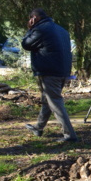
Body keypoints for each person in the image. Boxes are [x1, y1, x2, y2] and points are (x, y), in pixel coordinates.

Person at [21, 8, 78, 142]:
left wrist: (29, 29)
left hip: (49, 71)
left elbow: (26, 44)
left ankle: (70, 135)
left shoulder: (40, 29)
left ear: (34, 18)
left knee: (55, 102)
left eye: (31, 19)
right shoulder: (62, 30)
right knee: (48, 100)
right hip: (62, 71)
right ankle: (39, 127)